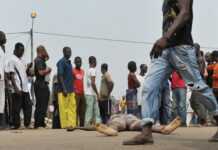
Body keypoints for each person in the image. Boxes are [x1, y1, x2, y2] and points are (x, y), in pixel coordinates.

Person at [123, 0, 218, 145]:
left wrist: (165, 37)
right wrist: (163, 41)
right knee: (149, 87)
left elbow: (185, 13)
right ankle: (146, 132)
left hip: (182, 50)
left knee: (197, 87)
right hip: (165, 51)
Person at [8, 43, 32, 129]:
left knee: (28, 106)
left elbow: (25, 73)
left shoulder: (22, 60)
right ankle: (16, 125)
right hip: (17, 88)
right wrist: (16, 88)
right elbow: (11, 75)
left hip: (25, 88)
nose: (22, 52)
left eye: (23, 51)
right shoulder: (12, 60)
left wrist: (28, 68)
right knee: (16, 108)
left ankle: (27, 124)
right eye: (21, 51)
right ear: (16, 50)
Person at [57, 47, 76, 130]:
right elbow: (60, 75)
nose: (69, 53)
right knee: (64, 109)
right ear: (64, 52)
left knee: (72, 107)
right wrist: (64, 88)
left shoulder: (69, 63)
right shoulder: (61, 62)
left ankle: (72, 124)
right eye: (68, 52)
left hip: (71, 89)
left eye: (70, 52)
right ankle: (65, 125)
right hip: (63, 90)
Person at [34, 45, 51, 129]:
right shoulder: (38, 60)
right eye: (44, 50)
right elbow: (40, 72)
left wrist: (46, 56)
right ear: (40, 51)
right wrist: (48, 70)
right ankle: (39, 123)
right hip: (40, 84)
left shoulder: (40, 60)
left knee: (42, 104)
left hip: (42, 84)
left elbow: (48, 57)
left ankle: (40, 122)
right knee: (41, 104)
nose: (45, 52)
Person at [85, 56, 101, 127]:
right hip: (91, 93)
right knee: (91, 109)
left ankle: (96, 123)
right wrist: (97, 93)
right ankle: (88, 124)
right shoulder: (93, 70)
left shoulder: (88, 70)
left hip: (89, 93)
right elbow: (93, 83)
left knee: (95, 109)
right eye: (96, 61)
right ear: (94, 62)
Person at [73, 56, 85, 127]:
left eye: (80, 62)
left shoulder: (83, 71)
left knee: (82, 110)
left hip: (82, 93)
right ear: (74, 62)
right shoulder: (73, 71)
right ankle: (75, 125)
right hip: (75, 93)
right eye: (77, 62)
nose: (79, 63)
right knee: (76, 110)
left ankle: (82, 125)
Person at [0, 31, 7, 129]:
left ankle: (1, 123)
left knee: (1, 100)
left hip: (2, 78)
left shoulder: (2, 49)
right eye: (4, 37)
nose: (6, 39)